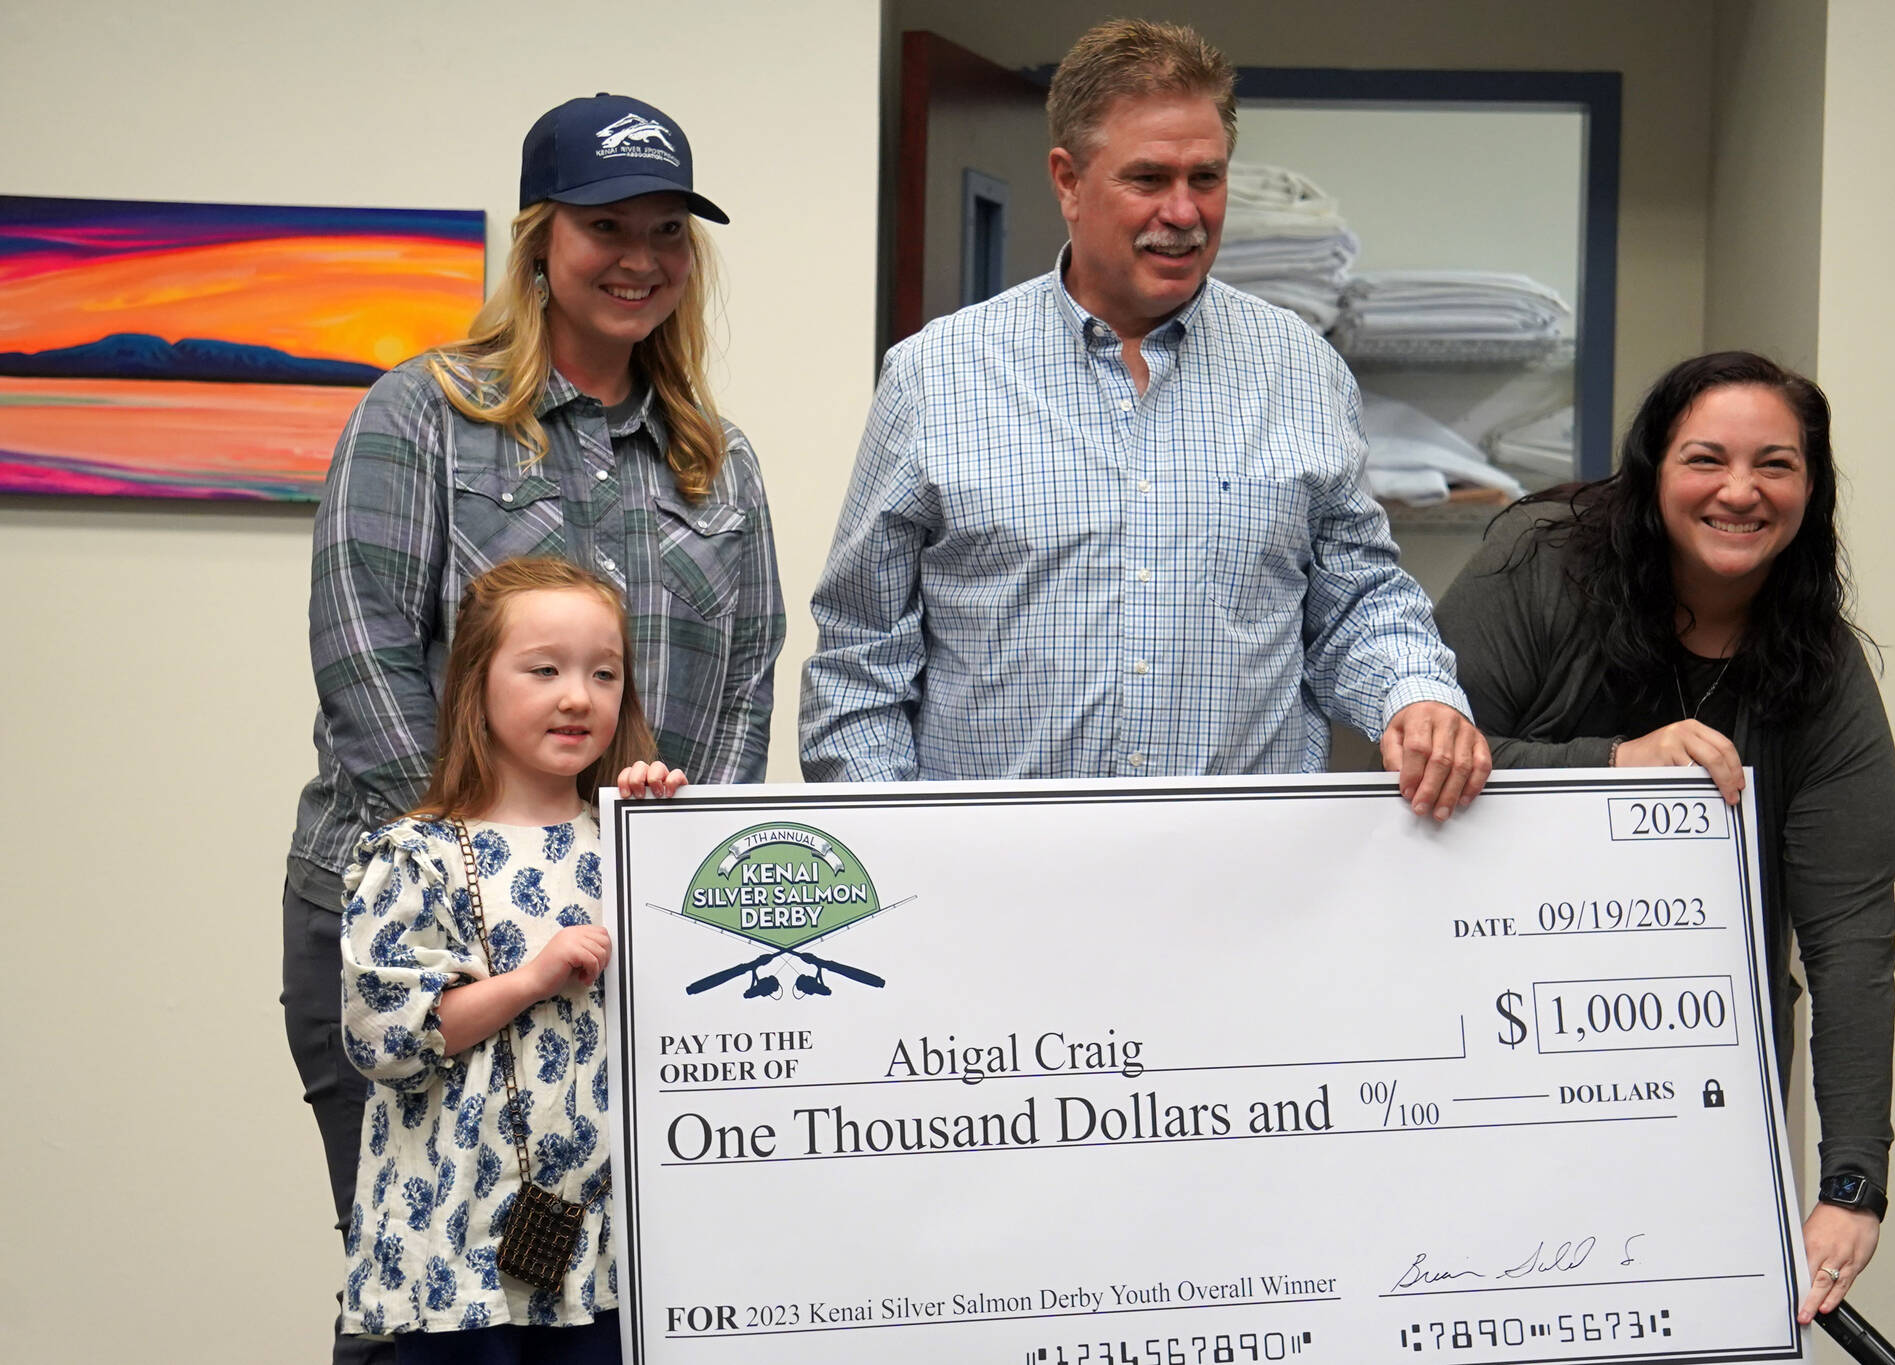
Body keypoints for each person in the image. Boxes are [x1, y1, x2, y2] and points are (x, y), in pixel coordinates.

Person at [282, 92, 782, 1365]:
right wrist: (510, 877)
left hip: (621, 948)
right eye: (605, 225)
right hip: (425, 932)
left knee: (617, 1314)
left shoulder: (715, 465)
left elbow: (742, 685)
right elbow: (364, 657)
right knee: (427, 1289)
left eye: (667, 231)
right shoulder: (421, 419)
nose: (639, 257)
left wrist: (658, 883)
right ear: (539, 240)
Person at [799, 19, 1487, 816]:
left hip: (1243, 876)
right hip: (1000, 885)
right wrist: (900, 853)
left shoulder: (1302, 371)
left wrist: (1416, 692)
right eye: (1149, 178)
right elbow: (860, 659)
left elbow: (1357, 598)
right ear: (1067, 180)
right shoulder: (935, 377)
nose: (1184, 212)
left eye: (1206, 177)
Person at [1431, 351, 1895, 1324]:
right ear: (1649, 471)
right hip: (1474, 1058)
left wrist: (1848, 1187)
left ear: (1809, 491)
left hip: (1693, 1089)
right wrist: (1608, 766)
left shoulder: (1817, 667)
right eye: (1705, 459)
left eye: (1774, 464)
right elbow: (1407, 770)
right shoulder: (1539, 567)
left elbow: (1849, 935)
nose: (1739, 490)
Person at [339, 557, 685, 1360]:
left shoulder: (634, 843)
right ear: (475, 685)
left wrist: (672, 831)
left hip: (607, 1259)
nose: (578, 696)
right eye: (544, 669)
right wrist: (530, 978)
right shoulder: (417, 856)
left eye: (604, 673)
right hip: (461, 1262)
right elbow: (386, 1041)